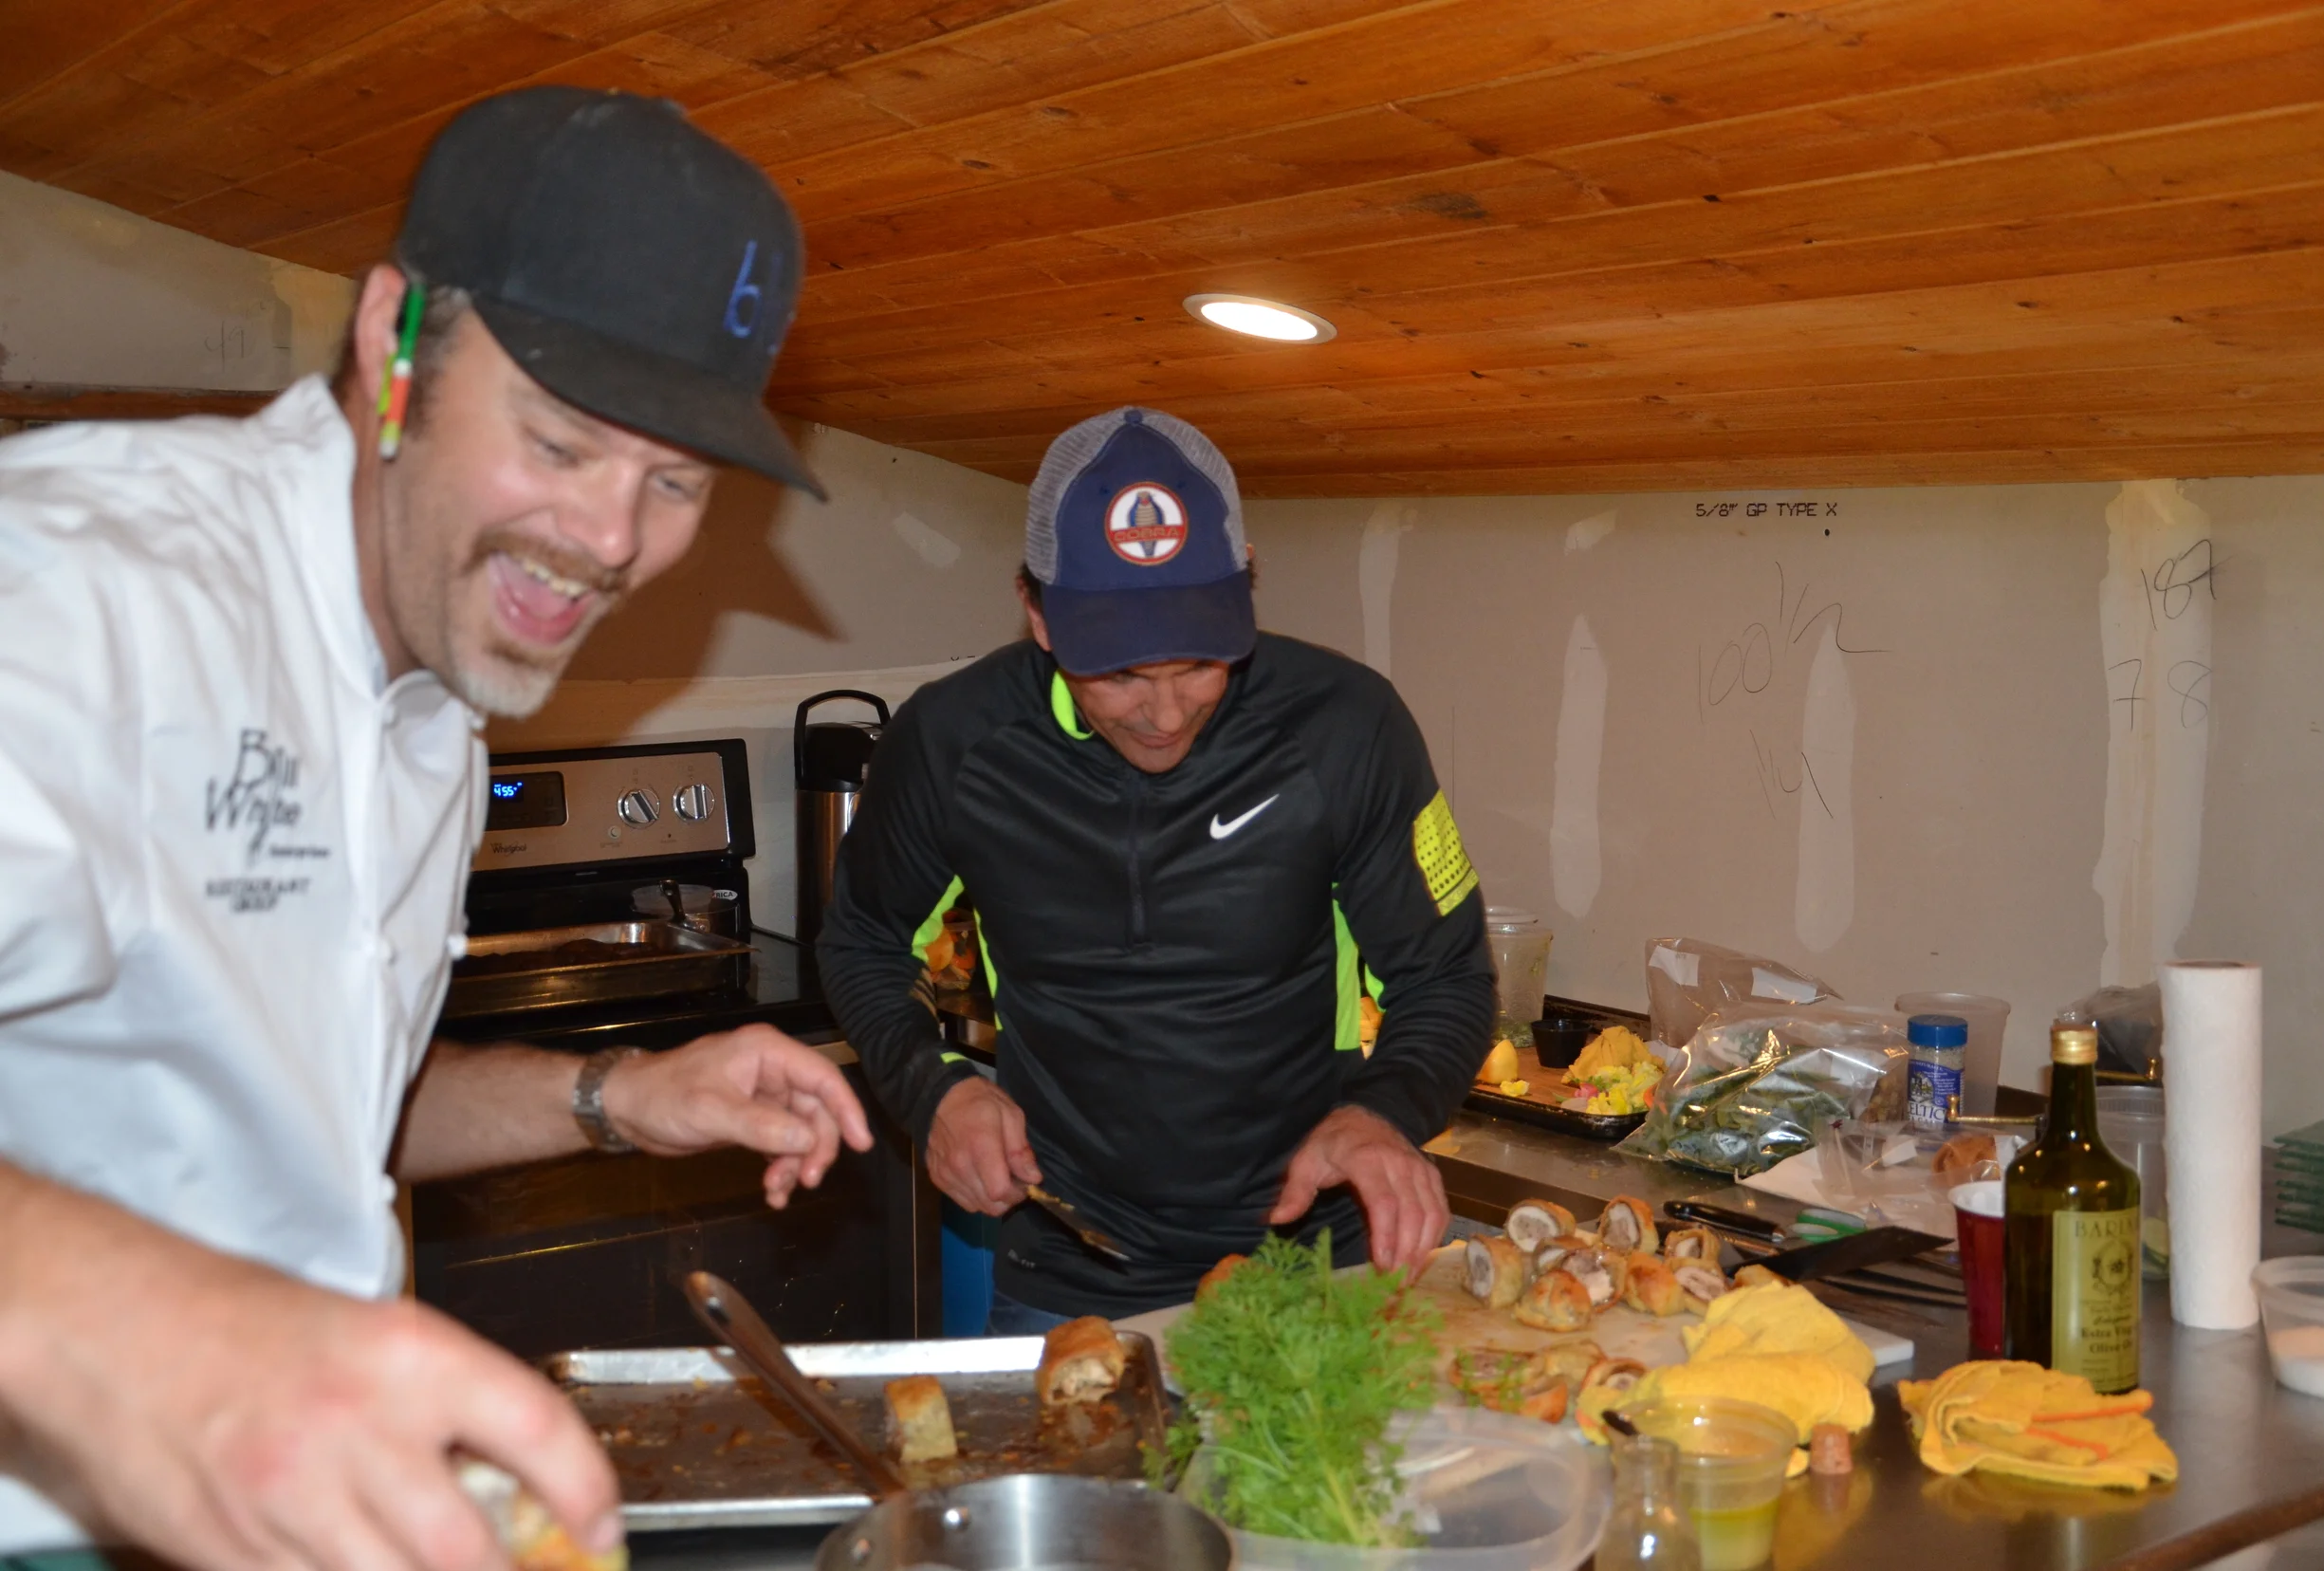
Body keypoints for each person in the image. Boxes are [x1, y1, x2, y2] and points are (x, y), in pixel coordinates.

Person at [0, 87, 873, 1568]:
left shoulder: (433, 701)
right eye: (560, 441)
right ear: (392, 342)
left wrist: (617, 1096)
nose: (611, 541)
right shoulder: (80, 592)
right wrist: (166, 1334)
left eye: (673, 482)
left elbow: (326, 1108)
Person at [818, 407, 1495, 1332]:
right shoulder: (955, 741)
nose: (1165, 714)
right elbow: (862, 942)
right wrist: (933, 1090)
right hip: (1068, 1271)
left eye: (1199, 664)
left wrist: (1383, 1115)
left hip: (1316, 1276)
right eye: (1120, 676)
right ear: (1037, 612)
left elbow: (1446, 977)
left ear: (1247, 583)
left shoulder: (1344, 726)